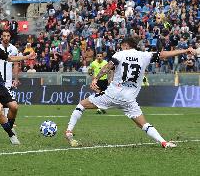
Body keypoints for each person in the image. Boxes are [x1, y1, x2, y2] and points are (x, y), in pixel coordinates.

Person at [65, 37, 195, 148]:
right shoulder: (144, 55)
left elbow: (108, 66)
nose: (121, 48)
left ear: (126, 45)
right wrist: (184, 50)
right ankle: (164, 142)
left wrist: (96, 78)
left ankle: (69, 131)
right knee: (143, 124)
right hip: (129, 99)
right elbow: (163, 55)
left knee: (82, 105)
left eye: (122, 46)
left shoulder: (120, 54)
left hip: (112, 94)